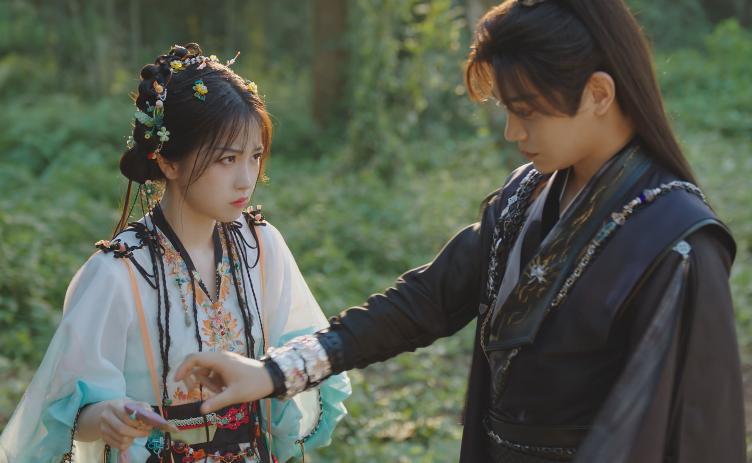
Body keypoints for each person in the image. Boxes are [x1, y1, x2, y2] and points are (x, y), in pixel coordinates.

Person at [174, 1, 748, 462]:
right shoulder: (526, 198)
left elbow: (695, 434)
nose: (512, 131)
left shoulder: (676, 244)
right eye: (507, 109)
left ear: (599, 93)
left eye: (527, 110)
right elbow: (425, 302)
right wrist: (274, 371)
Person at [0, 43, 350, 463]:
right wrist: (109, 415)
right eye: (227, 159)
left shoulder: (261, 247)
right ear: (168, 161)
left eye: (255, 156)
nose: (246, 179)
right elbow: (68, 410)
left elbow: (302, 354)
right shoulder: (119, 273)